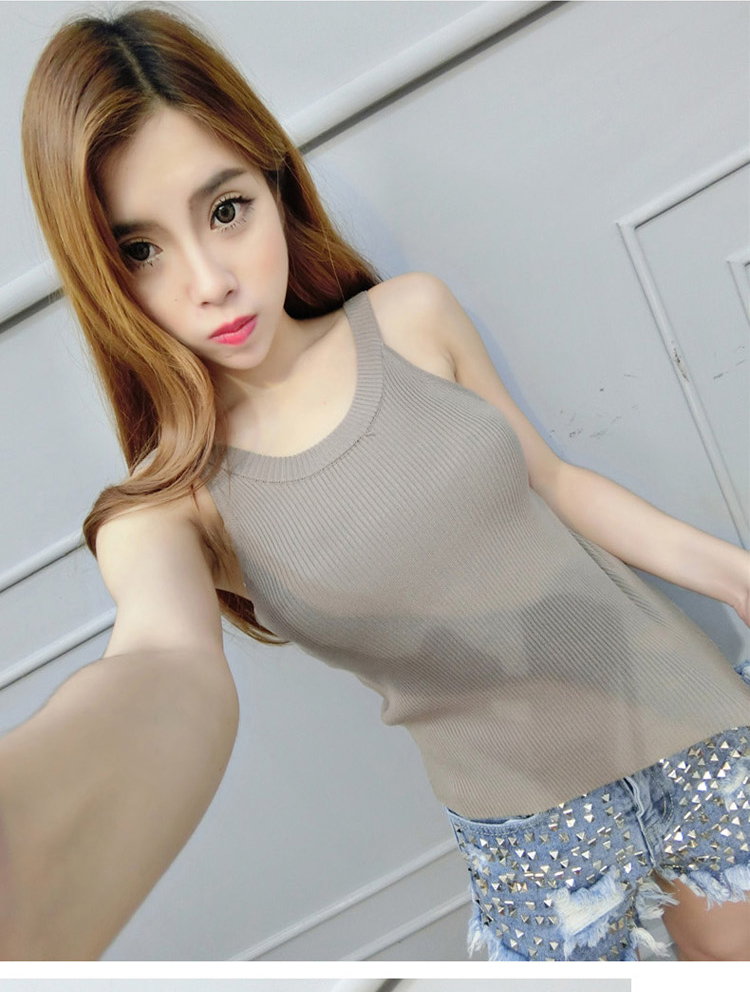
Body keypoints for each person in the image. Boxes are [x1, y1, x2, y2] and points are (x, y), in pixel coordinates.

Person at [2, 3, 748, 962]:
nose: (210, 281)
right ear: (102, 274)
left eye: (225, 210)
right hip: (533, 840)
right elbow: (164, 667)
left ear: (274, 181)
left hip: (687, 720)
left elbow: (556, 485)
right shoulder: (167, 509)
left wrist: (735, 575)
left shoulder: (410, 319)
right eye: (140, 250)